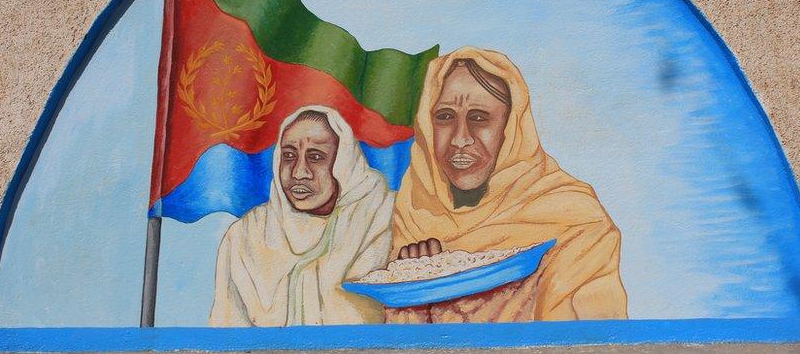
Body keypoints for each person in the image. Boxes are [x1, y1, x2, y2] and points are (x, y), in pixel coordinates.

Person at [389, 47, 628, 323]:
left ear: (511, 128)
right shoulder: (415, 210)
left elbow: (587, 339)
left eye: (479, 118)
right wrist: (414, 293)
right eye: (444, 117)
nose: (459, 139)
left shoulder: (577, 221)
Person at [209, 106, 394, 326]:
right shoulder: (247, 234)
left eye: (315, 157)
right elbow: (228, 329)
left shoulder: (384, 214)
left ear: (344, 160)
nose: (299, 173)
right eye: (289, 156)